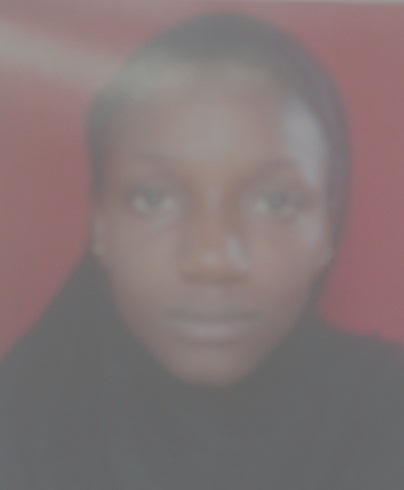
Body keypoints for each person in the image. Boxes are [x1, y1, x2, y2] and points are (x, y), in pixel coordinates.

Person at [1, 11, 404, 490]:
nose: (212, 260)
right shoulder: (19, 426)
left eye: (275, 202)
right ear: (100, 225)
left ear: (328, 230)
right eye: (153, 198)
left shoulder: (387, 412)